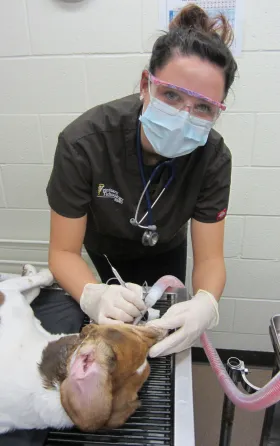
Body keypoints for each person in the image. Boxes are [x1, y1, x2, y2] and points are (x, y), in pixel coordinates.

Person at [46, 4, 238, 358]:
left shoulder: (213, 158)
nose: (184, 117)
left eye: (204, 107)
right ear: (146, 85)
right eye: (171, 95)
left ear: (218, 111)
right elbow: (62, 252)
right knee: (115, 325)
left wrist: (206, 302)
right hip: (105, 249)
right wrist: (93, 293)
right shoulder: (83, 143)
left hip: (166, 249)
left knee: (159, 333)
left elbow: (210, 259)